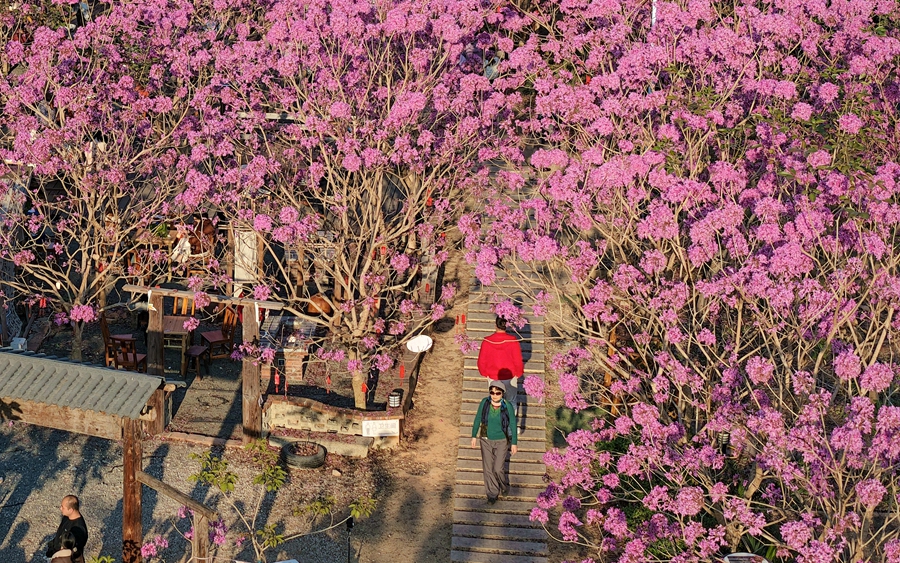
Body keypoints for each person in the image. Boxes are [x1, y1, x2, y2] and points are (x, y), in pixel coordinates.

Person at [470, 380, 518, 504]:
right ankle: (492, 494)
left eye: (497, 393)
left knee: (498, 468)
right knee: (488, 468)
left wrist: (514, 443)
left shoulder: (507, 406)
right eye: (492, 392)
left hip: (502, 440)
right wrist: (474, 435)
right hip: (486, 439)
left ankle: (503, 486)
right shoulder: (484, 403)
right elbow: (477, 419)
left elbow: (512, 423)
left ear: (502, 393)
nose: (494, 395)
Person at [476, 316, 524, 406]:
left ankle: (495, 419)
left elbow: (482, 360)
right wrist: (518, 373)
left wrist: (484, 373)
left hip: (493, 376)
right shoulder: (513, 341)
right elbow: (517, 360)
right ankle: (511, 419)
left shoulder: (487, 341)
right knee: (511, 400)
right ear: (507, 325)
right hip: (510, 376)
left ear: (495, 325)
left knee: (495, 401)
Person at [46, 495, 87, 563]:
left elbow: (73, 553)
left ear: (71, 510)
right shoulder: (67, 517)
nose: (60, 509)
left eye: (63, 507)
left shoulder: (78, 529)